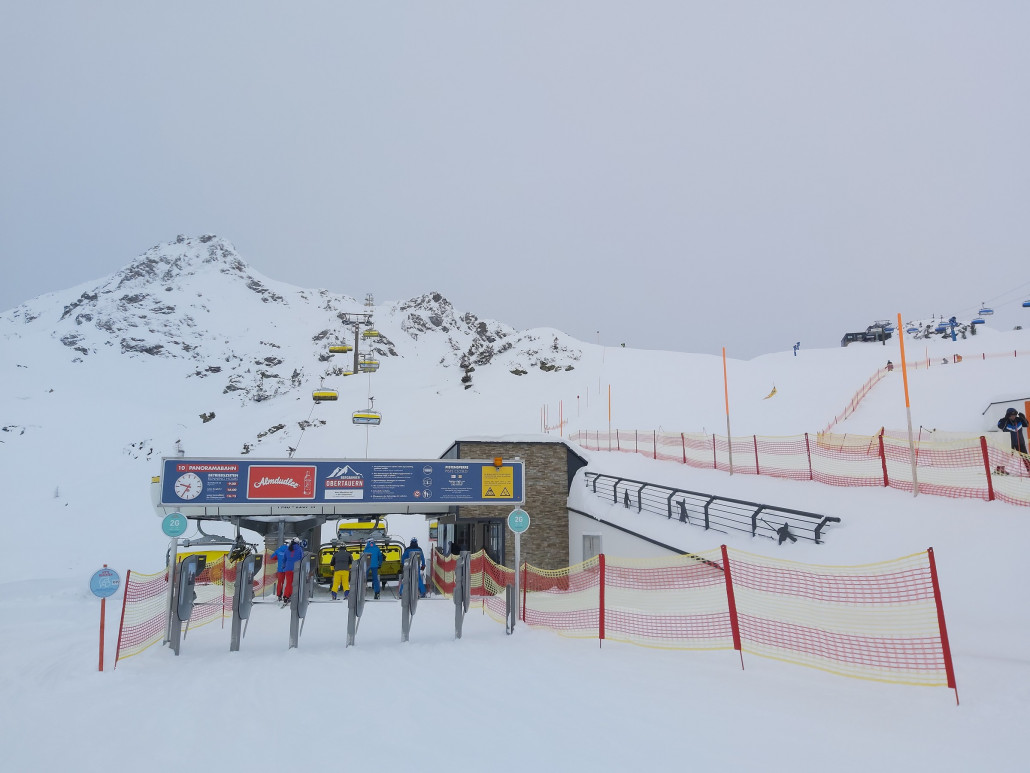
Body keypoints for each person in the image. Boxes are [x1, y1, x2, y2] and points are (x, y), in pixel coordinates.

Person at [281, 538, 304, 605]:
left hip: (288, 569)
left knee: (288, 583)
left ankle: (286, 596)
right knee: (296, 583)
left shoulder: (287, 549)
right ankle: (293, 595)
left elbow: (284, 559)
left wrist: (284, 566)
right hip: (296, 569)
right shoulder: (299, 549)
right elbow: (301, 558)